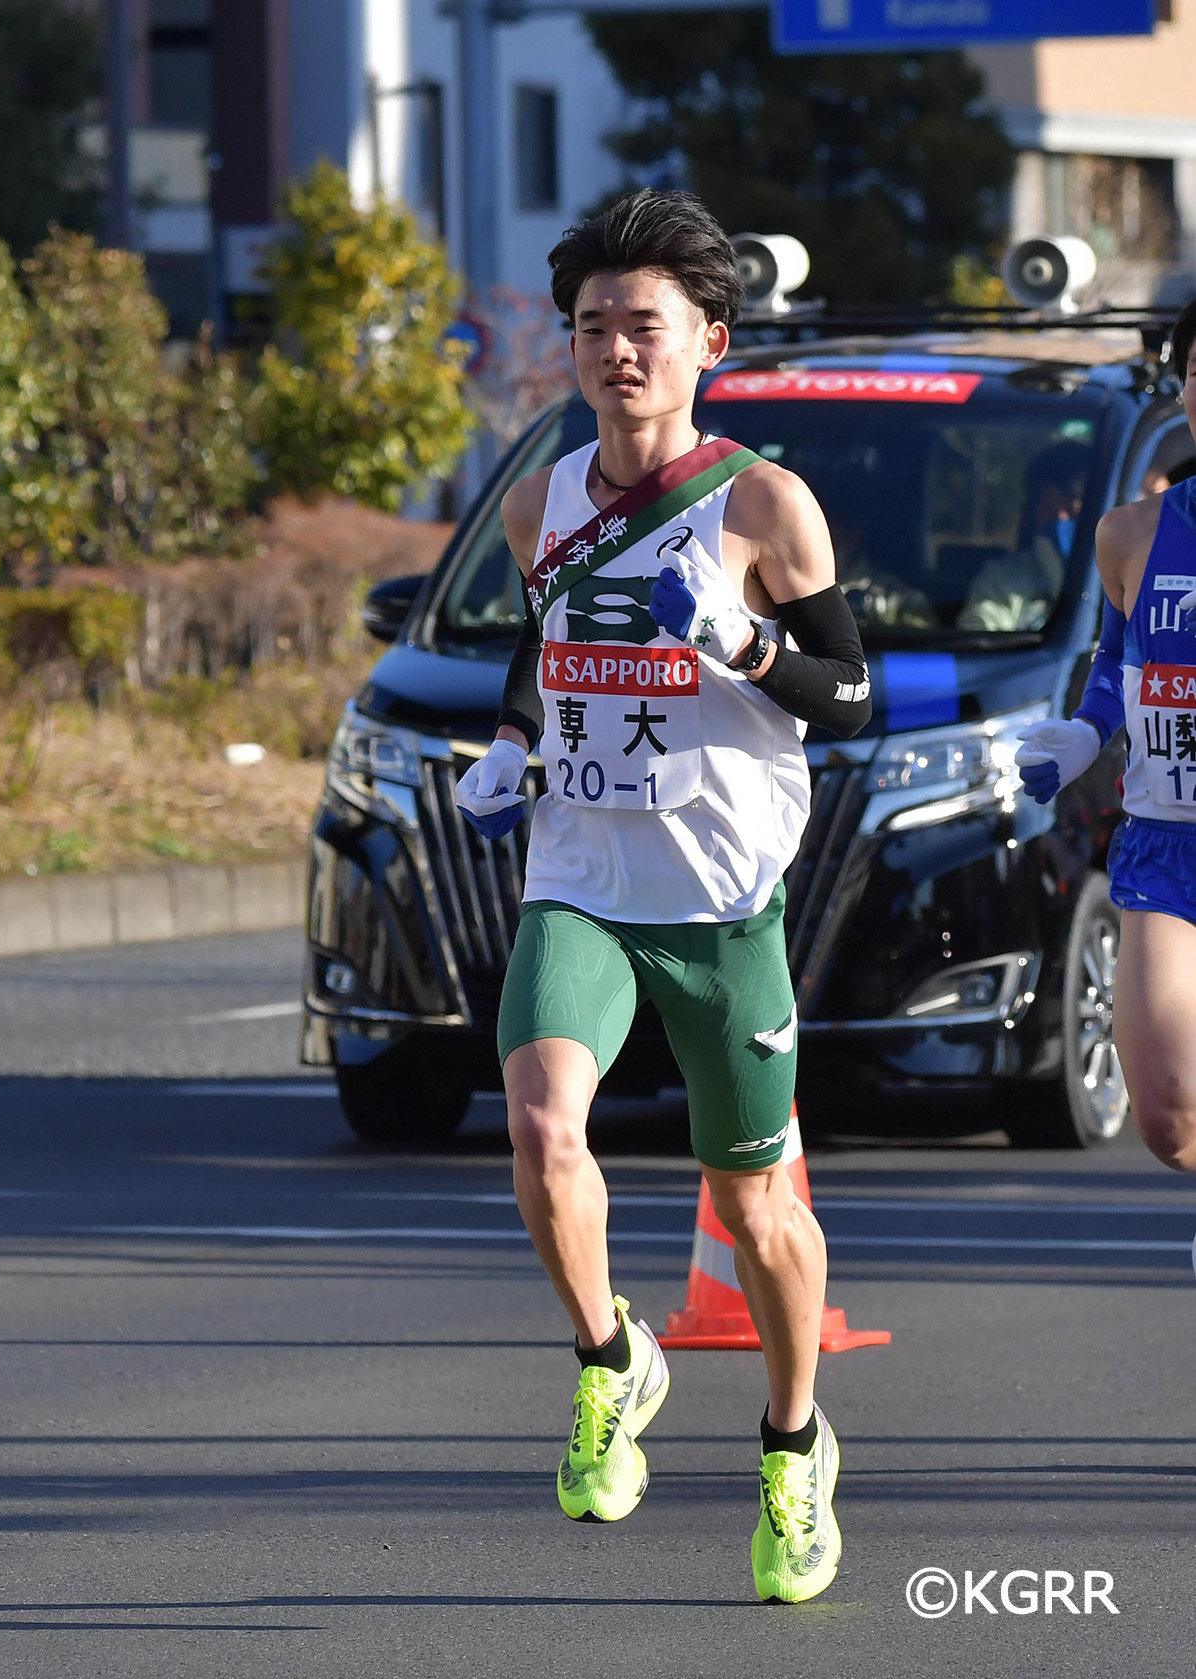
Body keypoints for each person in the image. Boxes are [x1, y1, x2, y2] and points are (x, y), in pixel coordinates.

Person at [452, 189, 871, 1604]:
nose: (616, 351)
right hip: (581, 883)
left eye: (645, 326)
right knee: (539, 1121)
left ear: (708, 341)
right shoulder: (536, 500)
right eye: (591, 327)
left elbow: (852, 692)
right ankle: (609, 1357)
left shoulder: (764, 502)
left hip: (722, 904)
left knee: (757, 1215)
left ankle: (793, 1440)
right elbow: (544, 642)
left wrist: (749, 647)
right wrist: (514, 744)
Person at [1015, 295, 1196, 1213]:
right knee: (1167, 1115)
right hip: (1167, 841)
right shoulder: (1132, 534)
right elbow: (1119, 667)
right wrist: (1083, 733)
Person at [957, 441, 1092, 632]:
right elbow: (977, 635)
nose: (1060, 519)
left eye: (1071, 509)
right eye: (1048, 508)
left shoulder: (1131, 582)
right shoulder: (1002, 581)